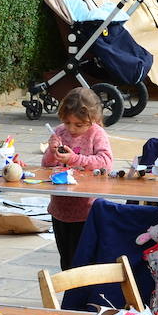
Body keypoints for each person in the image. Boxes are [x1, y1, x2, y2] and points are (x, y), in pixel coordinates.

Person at [42, 87, 113, 269]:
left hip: (87, 210)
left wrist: (74, 159)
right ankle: (69, 288)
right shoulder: (60, 132)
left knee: (85, 261)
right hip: (60, 208)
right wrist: (51, 151)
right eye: (67, 122)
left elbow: (106, 163)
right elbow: (46, 166)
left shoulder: (97, 134)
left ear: (93, 119)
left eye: (78, 125)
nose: (71, 128)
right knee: (66, 260)